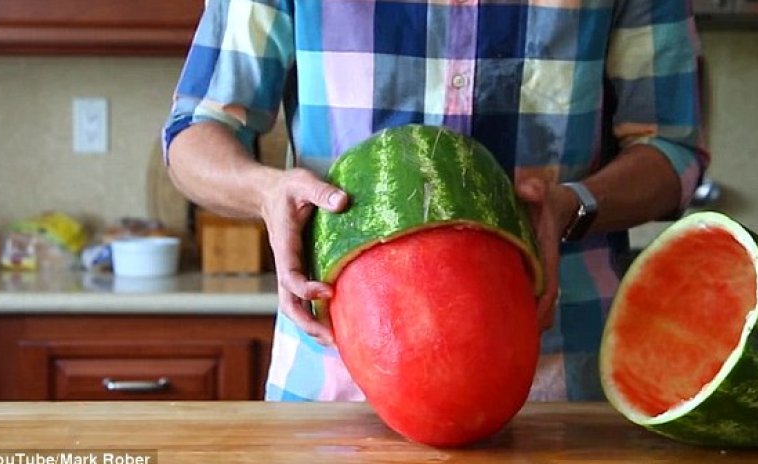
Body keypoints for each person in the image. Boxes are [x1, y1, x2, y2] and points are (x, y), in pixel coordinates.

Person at [163, 0, 709, 402]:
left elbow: (672, 148)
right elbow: (196, 130)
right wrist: (266, 191)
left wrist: (576, 205)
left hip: (561, 380)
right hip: (336, 385)